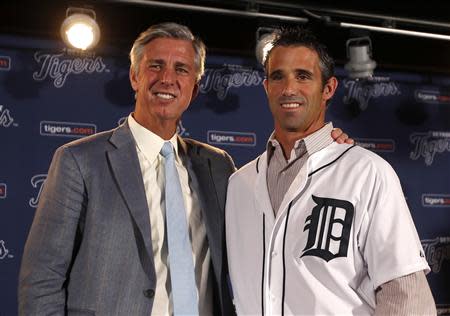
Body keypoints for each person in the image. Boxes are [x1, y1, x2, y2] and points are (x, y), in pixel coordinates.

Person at [18, 22, 350, 315]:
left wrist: (325, 148)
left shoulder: (219, 167)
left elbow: (277, 219)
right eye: (155, 66)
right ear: (135, 75)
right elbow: (42, 281)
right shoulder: (80, 161)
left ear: (195, 85)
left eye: (181, 69)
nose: (167, 78)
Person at [225, 26, 437, 315]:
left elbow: (407, 298)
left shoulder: (366, 172)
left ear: (328, 89)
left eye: (303, 76)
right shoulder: (240, 183)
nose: (289, 89)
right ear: (266, 88)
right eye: (278, 77)